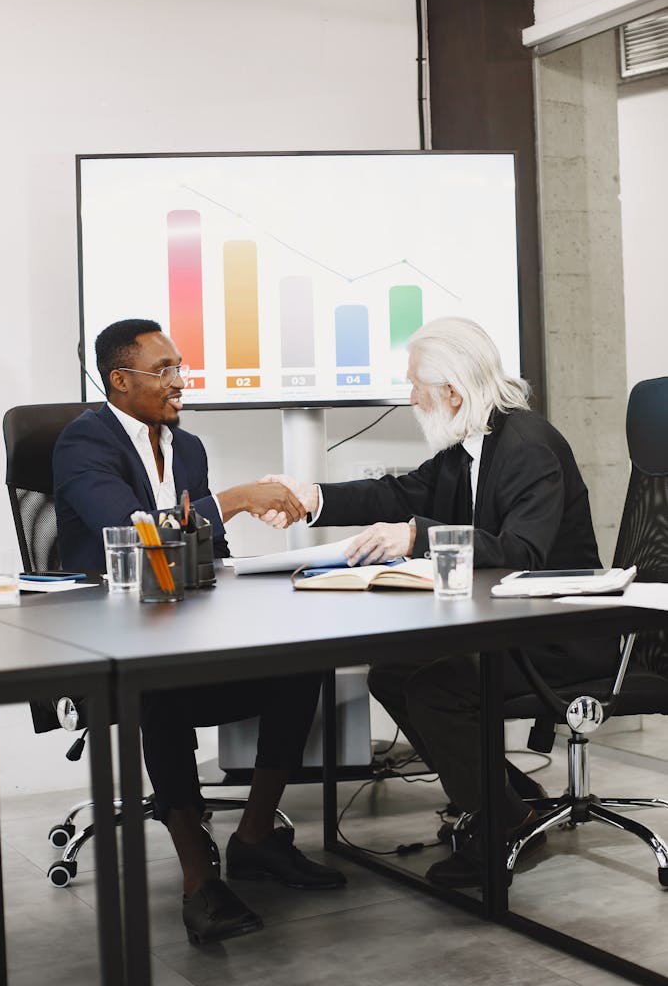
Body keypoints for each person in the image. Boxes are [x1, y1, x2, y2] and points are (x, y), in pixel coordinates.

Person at [262, 316, 617, 888]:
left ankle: (496, 827)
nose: (409, 398)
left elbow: (520, 549)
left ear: (451, 390)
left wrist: (416, 536)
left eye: (415, 385)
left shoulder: (528, 447)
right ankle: (510, 799)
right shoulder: (471, 445)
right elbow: (403, 491)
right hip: (512, 625)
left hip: (561, 635)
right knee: (392, 674)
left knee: (435, 687)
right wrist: (314, 497)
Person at [53, 318, 345, 945]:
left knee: (302, 661)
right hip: (111, 635)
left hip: (188, 618)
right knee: (161, 688)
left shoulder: (187, 448)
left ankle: (257, 836)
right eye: (164, 371)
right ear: (119, 380)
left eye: (180, 366)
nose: (179, 381)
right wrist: (238, 496)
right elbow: (132, 530)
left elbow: (203, 548)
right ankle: (198, 879)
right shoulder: (84, 444)